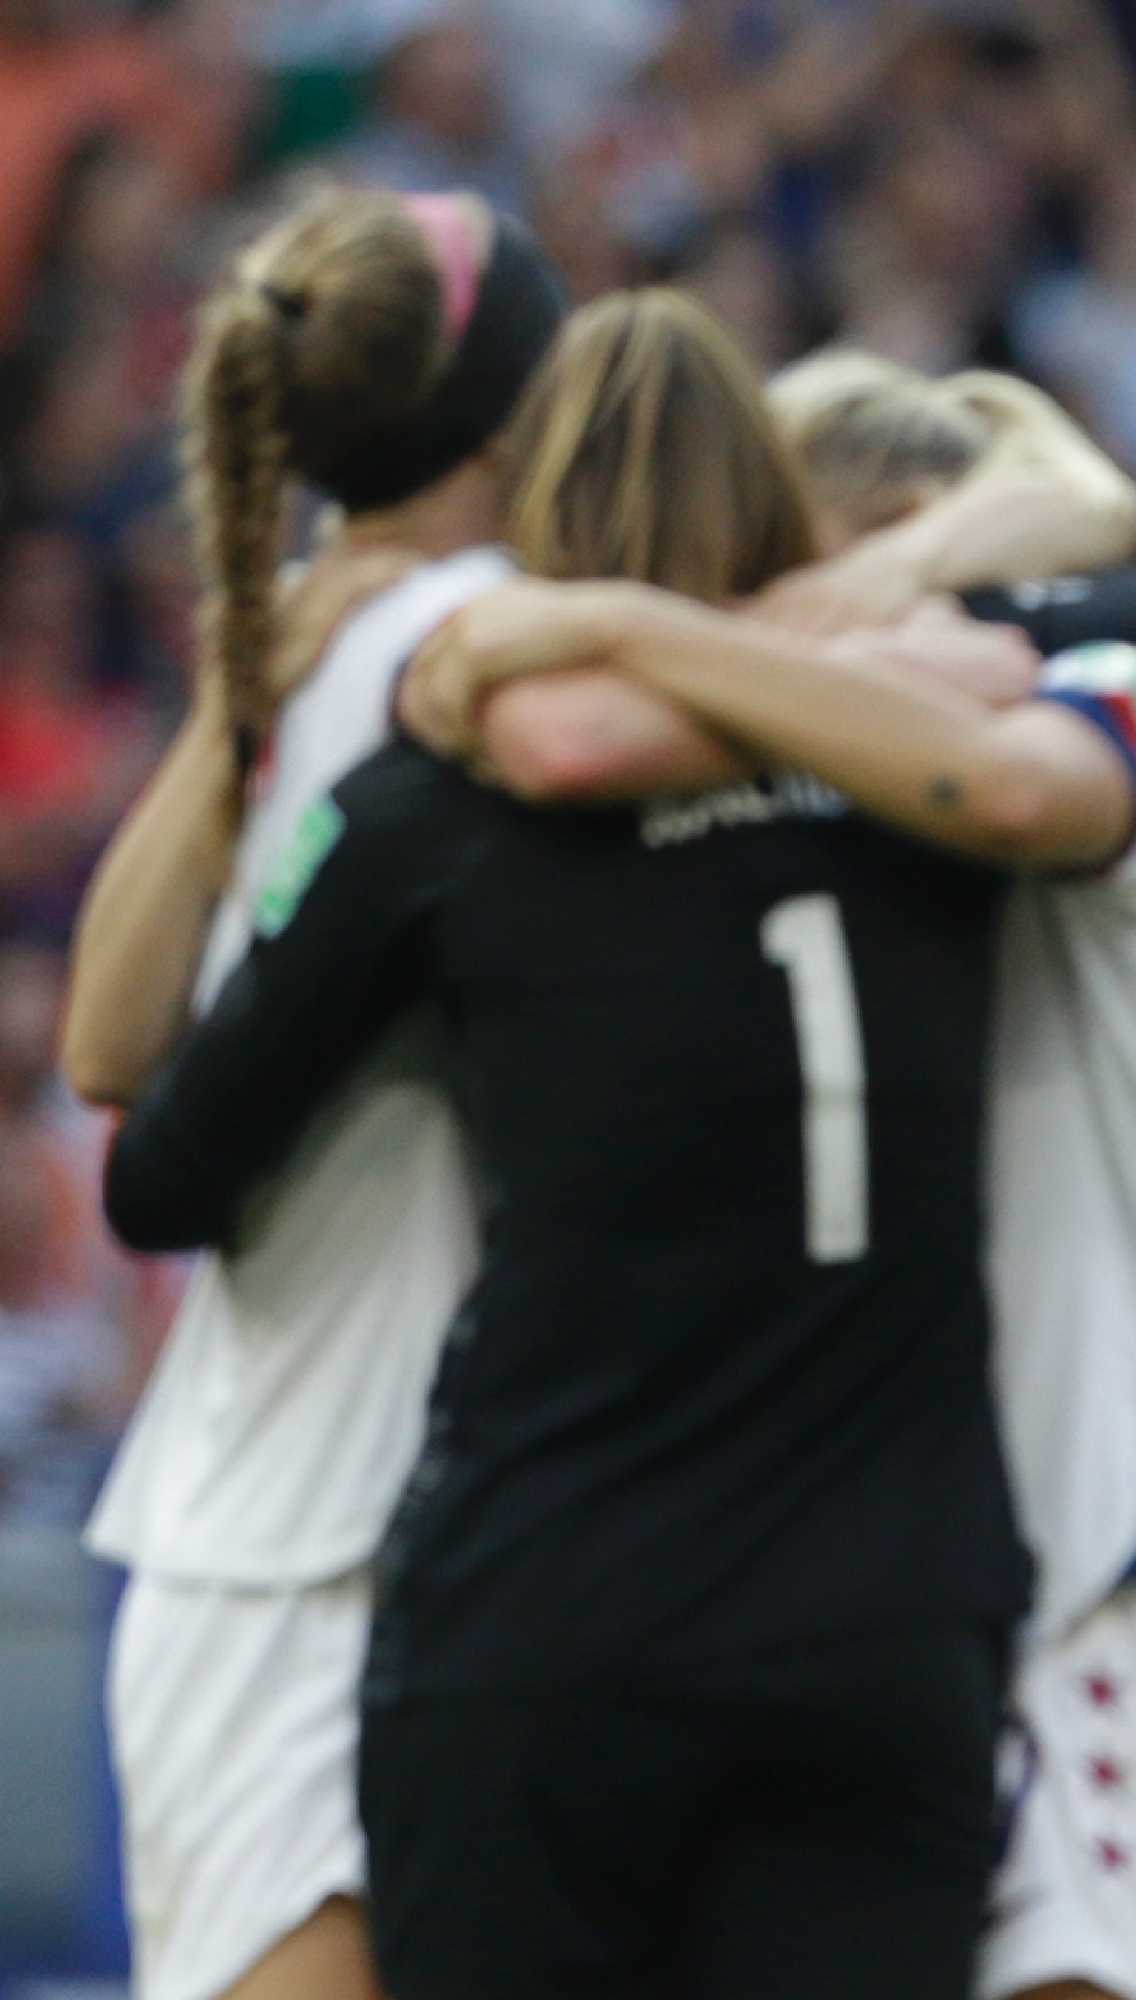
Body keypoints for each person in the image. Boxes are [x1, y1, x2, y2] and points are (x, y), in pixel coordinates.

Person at [97, 291, 1090, 2000]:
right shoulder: (940, 762)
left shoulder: (443, 805)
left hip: (547, 1624)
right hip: (889, 1627)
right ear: (778, 520)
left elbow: (158, 1170)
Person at [401, 348, 1136, 2000]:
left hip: (1105, 1574)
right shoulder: (836, 800)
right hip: (921, 1582)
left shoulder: (1096, 708)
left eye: (782, 553)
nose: (755, 599)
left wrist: (700, 616)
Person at [60, 184, 567, 2000]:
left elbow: (105, 1053)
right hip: (364, 1527)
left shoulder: (322, 640)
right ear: (521, 408)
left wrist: (238, 686)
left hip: (264, 1523)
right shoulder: (501, 646)